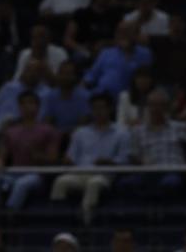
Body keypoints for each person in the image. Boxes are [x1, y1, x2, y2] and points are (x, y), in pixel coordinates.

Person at [50, 94, 130, 224]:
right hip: (80, 173)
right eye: (95, 108)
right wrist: (66, 161)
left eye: (102, 108)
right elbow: (71, 158)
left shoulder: (121, 132)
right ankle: (60, 220)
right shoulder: (80, 132)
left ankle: (86, 221)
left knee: (94, 183)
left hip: (104, 175)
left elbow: (124, 160)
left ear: (110, 109)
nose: (98, 112)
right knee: (61, 181)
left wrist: (109, 162)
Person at [0, 91, 60, 210]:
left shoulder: (48, 130)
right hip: (15, 172)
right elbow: (2, 155)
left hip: (37, 175)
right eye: (23, 104)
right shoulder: (11, 131)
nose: (27, 107)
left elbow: (53, 158)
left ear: (38, 106)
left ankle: (10, 214)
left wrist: (38, 156)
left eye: (31, 103)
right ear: (19, 107)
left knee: (22, 184)